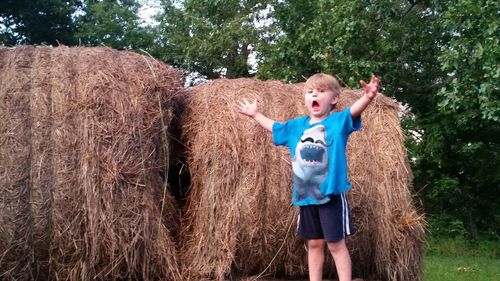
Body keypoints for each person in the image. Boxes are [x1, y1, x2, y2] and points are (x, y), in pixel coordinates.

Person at [237, 73, 380, 281]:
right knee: (314, 243)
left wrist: (368, 97)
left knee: (335, 244)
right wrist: (255, 114)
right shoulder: (296, 126)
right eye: (310, 92)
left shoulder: (338, 122)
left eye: (322, 91)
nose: (315, 94)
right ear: (305, 98)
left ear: (334, 99)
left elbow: (353, 111)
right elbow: (275, 127)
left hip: (330, 195)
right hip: (306, 197)